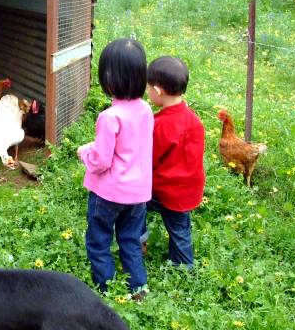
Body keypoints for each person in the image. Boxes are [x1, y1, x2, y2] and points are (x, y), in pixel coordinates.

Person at [77, 39, 153, 299]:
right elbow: (132, 147)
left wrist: (85, 152)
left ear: (108, 80)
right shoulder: (146, 110)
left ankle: (106, 287)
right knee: (130, 240)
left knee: (99, 241)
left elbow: (100, 161)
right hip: (138, 194)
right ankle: (138, 287)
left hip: (108, 194)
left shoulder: (110, 117)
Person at [141, 56, 205, 267]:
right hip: (186, 191)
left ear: (158, 91)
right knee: (180, 230)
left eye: (148, 88)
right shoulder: (194, 121)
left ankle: (139, 240)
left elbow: (149, 159)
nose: (147, 92)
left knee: (135, 203)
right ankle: (184, 266)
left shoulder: (160, 125)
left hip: (164, 189)